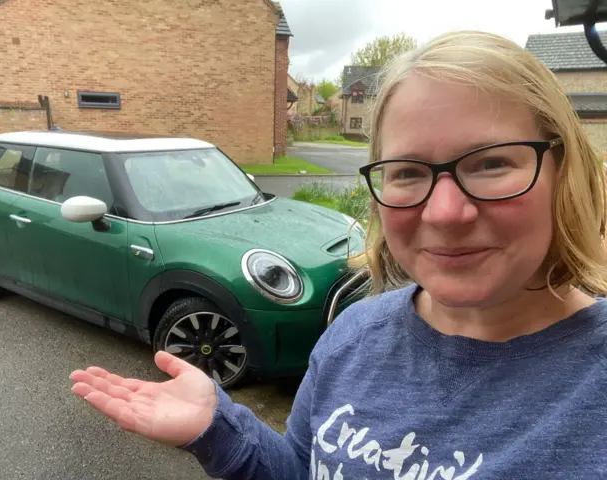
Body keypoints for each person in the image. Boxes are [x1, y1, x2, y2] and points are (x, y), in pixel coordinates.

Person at [69, 30, 607, 478]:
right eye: (407, 173)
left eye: (490, 164)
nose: (444, 212)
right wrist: (221, 430)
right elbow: (304, 468)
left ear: (566, 170)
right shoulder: (356, 333)